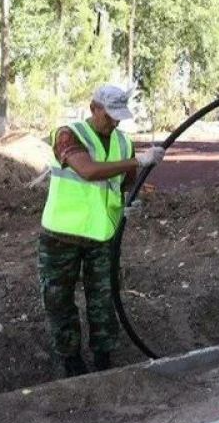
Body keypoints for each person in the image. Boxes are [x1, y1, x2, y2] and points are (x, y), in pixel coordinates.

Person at [39, 85, 164, 377]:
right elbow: (88, 171)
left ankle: (104, 360)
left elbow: (126, 185)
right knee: (59, 300)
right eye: (110, 116)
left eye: (119, 116)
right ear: (94, 108)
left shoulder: (123, 142)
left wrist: (135, 199)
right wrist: (138, 161)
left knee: (103, 301)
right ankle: (71, 361)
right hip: (61, 235)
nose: (116, 122)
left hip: (102, 236)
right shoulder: (68, 134)